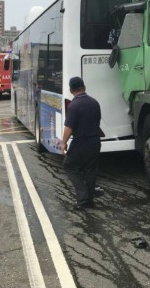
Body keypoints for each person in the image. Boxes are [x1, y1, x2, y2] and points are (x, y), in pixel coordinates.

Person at [62, 76, 102, 209]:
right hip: (95, 142)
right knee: (90, 169)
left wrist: (63, 143)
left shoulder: (74, 106)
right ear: (84, 87)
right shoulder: (94, 102)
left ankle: (83, 198)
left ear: (71, 90)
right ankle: (89, 200)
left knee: (69, 166)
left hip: (81, 143)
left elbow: (69, 128)